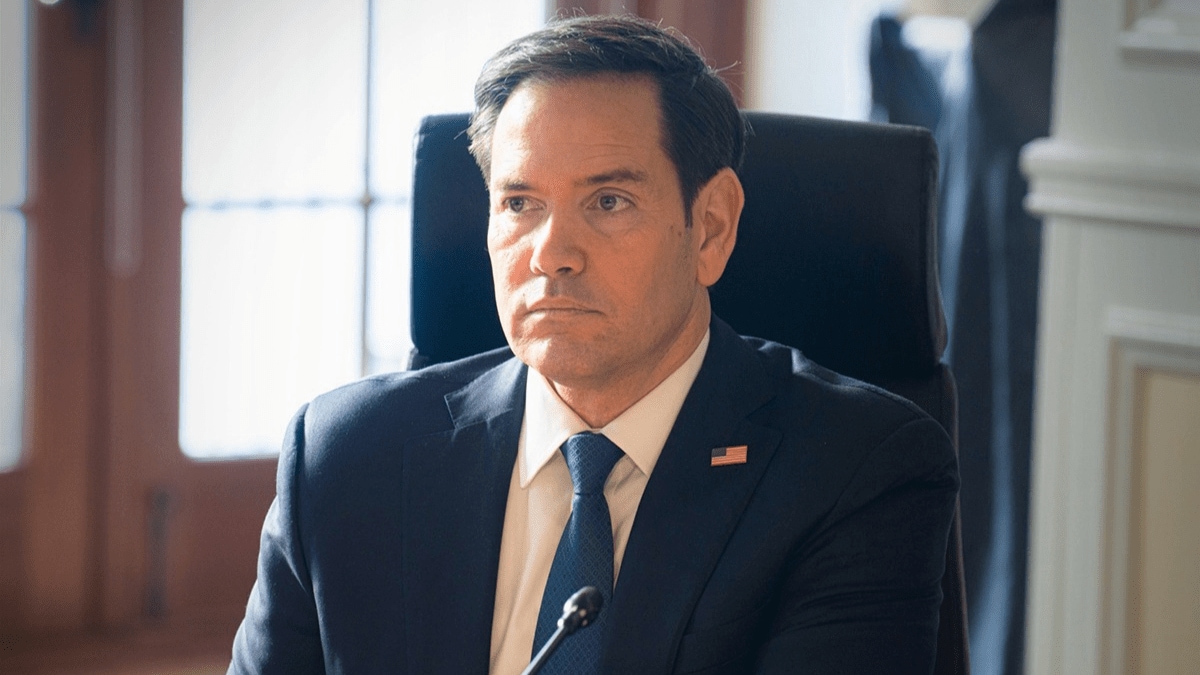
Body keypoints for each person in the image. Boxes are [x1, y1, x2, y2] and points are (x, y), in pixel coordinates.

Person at [229, 15, 958, 675]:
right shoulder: (346, 459)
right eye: (520, 203)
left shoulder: (854, 472)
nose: (552, 253)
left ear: (710, 227)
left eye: (608, 202)